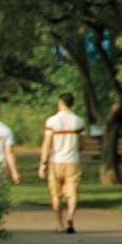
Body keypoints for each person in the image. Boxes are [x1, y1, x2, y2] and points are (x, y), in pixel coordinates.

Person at [39, 92, 85, 233]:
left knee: (55, 194)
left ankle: (60, 224)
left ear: (60, 103)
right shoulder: (78, 121)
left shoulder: (52, 121)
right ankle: (70, 217)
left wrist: (43, 163)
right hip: (72, 160)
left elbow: (47, 143)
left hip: (56, 160)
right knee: (72, 192)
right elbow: (82, 144)